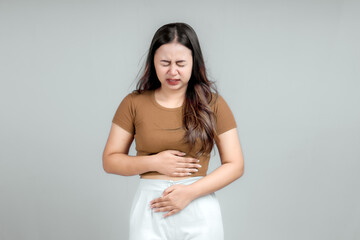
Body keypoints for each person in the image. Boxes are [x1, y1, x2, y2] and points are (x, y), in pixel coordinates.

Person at [102, 22, 244, 240]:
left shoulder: (212, 104)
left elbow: (235, 165)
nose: (173, 71)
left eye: (181, 63)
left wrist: (189, 192)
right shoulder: (134, 103)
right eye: (165, 63)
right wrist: (154, 162)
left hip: (198, 206)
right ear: (153, 63)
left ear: (194, 63)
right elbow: (110, 161)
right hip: (150, 208)